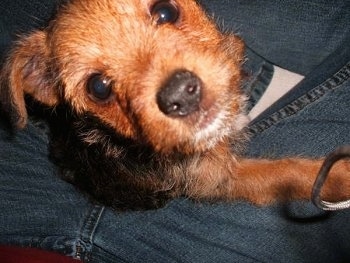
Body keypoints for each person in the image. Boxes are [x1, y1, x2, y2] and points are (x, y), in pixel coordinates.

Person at [1, 0, 349, 262]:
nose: (175, 87)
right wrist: (325, 180)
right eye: (100, 87)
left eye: (164, 13)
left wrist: (225, 53)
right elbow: (233, 182)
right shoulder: (171, 166)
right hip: (131, 182)